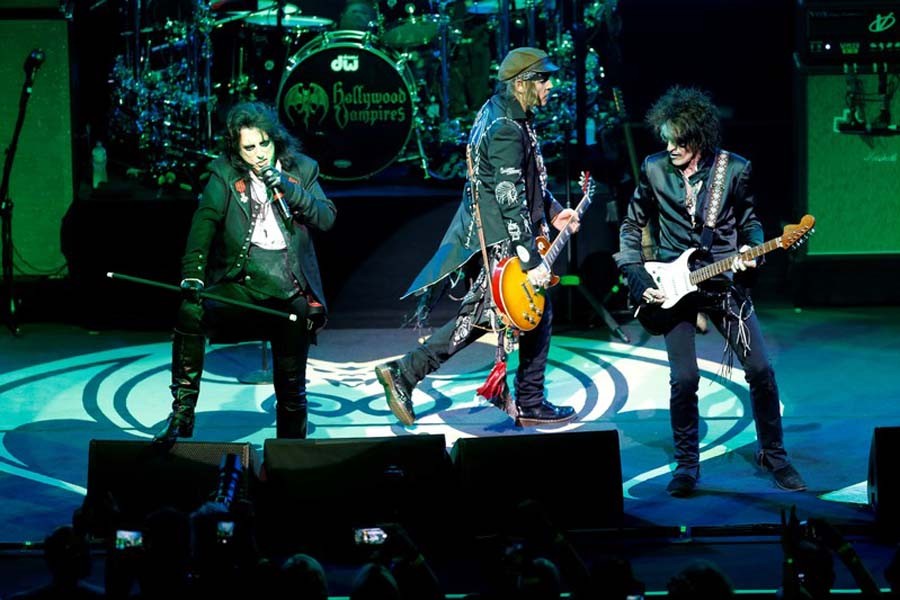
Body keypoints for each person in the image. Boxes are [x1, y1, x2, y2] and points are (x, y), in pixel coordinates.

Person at [614, 86, 806, 497]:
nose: (669, 147)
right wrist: (636, 274)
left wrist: (753, 252)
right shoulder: (653, 169)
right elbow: (632, 225)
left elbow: (751, 221)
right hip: (672, 285)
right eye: (665, 138)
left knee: (760, 371)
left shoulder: (733, 170)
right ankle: (687, 465)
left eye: (678, 140)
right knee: (684, 379)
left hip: (722, 282)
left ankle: (774, 455)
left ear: (698, 139)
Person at [374, 47, 580, 428]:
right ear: (522, 83)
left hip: (499, 236)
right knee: (485, 319)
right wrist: (530, 261)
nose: (551, 85)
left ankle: (528, 398)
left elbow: (525, 179)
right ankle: (405, 373)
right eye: (543, 79)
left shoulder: (503, 111)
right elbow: (508, 197)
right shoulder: (505, 127)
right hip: (504, 242)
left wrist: (552, 211)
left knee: (509, 316)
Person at [154, 101, 336, 444]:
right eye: (249, 147)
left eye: (263, 144)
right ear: (238, 150)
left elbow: (326, 218)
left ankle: (290, 453)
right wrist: (192, 274)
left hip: (291, 289)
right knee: (191, 311)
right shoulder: (224, 173)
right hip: (242, 283)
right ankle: (181, 414)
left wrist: (286, 186)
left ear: (275, 140)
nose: (258, 154)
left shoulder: (303, 169)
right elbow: (204, 222)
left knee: (292, 385)